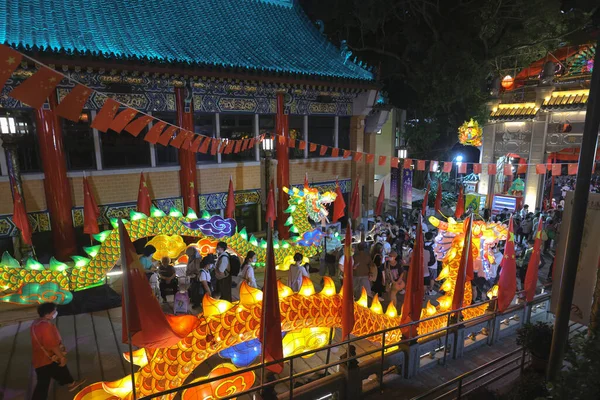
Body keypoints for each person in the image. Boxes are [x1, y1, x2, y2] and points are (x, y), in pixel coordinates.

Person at [31, 303, 85, 399]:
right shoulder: (45, 327)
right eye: (54, 312)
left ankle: (71, 383)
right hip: (45, 359)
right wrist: (61, 357)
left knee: (60, 368)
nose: (55, 313)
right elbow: (52, 345)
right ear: (47, 314)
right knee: (43, 384)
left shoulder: (37, 322)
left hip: (44, 356)